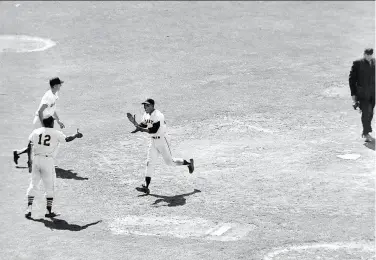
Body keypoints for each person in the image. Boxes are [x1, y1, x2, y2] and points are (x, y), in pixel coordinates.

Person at [131, 98, 194, 195]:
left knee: (170, 162)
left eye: (147, 105)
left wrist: (141, 129)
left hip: (162, 140)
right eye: (144, 105)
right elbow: (143, 124)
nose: (145, 107)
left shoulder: (158, 115)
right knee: (149, 163)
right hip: (153, 142)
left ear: (152, 106)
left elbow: (154, 130)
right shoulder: (146, 115)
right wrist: (137, 126)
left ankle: (189, 163)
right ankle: (146, 186)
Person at [25, 116, 83, 219]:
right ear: (52, 123)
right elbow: (67, 139)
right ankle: (48, 211)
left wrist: (29, 161)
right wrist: (75, 135)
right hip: (47, 161)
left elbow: (29, 145)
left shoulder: (36, 131)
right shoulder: (55, 133)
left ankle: (29, 209)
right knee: (49, 186)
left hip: (36, 160)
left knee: (33, 184)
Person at [13, 77, 66, 172]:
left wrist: (58, 120)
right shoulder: (48, 97)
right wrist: (43, 127)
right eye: (59, 84)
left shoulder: (55, 94)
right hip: (40, 121)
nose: (60, 86)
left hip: (48, 120)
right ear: (54, 86)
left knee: (42, 142)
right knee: (34, 142)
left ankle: (18, 153)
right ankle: (29, 162)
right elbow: (40, 111)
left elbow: (52, 109)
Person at [349, 48, 375, 142]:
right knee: (366, 113)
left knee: (371, 113)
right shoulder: (357, 63)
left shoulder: (374, 62)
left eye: (370, 55)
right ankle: (366, 133)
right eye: (367, 55)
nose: (369, 56)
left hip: (373, 94)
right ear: (364, 54)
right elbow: (352, 80)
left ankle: (365, 131)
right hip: (362, 94)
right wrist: (353, 95)